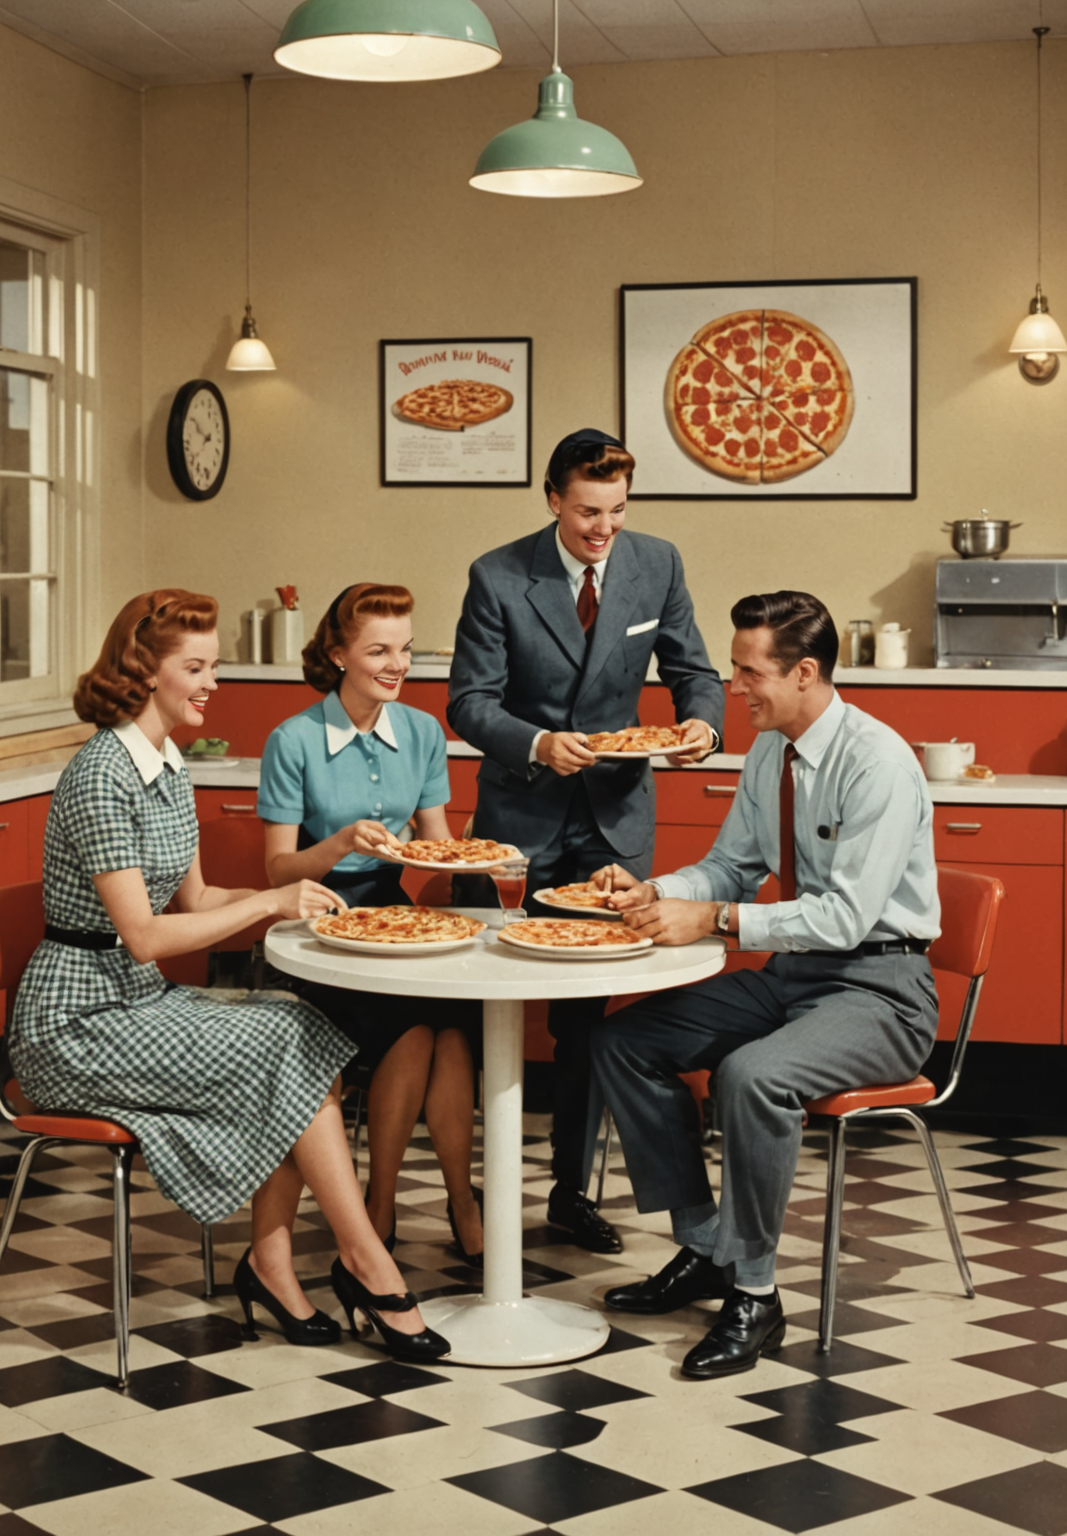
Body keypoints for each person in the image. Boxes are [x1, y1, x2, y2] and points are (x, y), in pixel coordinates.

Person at [9, 589, 448, 1363]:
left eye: (214, 665)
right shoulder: (102, 774)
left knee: (300, 1025)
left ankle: (277, 1262)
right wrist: (271, 899)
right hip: (76, 1023)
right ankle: (366, 1263)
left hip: (133, 1001)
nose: (214, 683)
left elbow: (201, 899)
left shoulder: (170, 764)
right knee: (286, 1038)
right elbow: (143, 935)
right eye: (196, 667)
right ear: (145, 672)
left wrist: (294, 902)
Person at [588, 590, 941, 1378]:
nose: (734, 687)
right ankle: (707, 1245)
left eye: (749, 673)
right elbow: (731, 867)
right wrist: (661, 893)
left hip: (882, 991)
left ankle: (756, 1294)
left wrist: (713, 922)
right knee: (624, 1040)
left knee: (752, 1077)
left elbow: (847, 918)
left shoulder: (876, 761)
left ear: (805, 673)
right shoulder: (771, 752)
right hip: (795, 975)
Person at [447, 427, 726, 1253]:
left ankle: (570, 1192)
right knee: (478, 1003)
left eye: (615, 510)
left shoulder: (657, 564)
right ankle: (471, 1199)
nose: (603, 528)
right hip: (520, 820)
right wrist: (536, 743)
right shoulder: (498, 576)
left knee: (584, 1017)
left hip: (615, 819)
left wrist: (701, 727)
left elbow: (693, 673)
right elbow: (469, 702)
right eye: (586, 512)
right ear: (553, 500)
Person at [259, 583, 484, 1262]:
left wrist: (477, 855)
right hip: (314, 923)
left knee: (455, 1034)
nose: (397, 664)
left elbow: (436, 847)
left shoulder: (420, 732)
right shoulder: (292, 739)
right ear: (338, 655)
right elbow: (277, 871)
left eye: (406, 649)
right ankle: (380, 1207)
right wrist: (341, 845)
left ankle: (459, 1196)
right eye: (379, 650)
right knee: (416, 1035)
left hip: (395, 917)